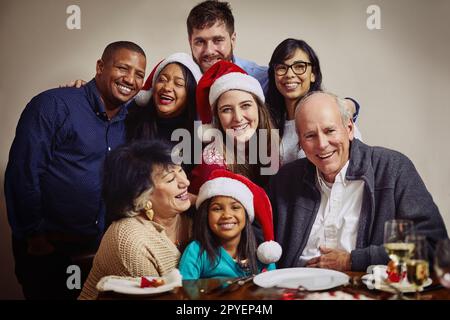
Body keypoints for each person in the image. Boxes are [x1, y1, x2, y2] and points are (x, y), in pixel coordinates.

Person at [4, 41, 146, 299]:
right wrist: (34, 235)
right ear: (100, 67)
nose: (131, 79)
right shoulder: (54, 105)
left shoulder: (130, 122)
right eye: (123, 68)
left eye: (139, 74)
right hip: (48, 248)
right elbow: (23, 172)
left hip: (98, 250)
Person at [268, 91, 448, 272]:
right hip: (295, 290)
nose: (322, 144)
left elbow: (433, 244)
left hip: (366, 290)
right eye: (310, 136)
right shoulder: (285, 180)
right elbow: (260, 240)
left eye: (329, 130)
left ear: (349, 128)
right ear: (300, 141)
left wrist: (354, 260)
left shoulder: (393, 169)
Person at [79, 140, 192, 300]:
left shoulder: (194, 216)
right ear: (142, 195)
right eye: (170, 179)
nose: (185, 182)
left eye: (181, 170)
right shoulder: (130, 239)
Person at [267, 38, 363, 165]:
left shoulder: (333, 115)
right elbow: (264, 175)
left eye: (299, 66)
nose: (289, 74)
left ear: (313, 74)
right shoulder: (266, 121)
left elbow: (356, 165)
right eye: (281, 68)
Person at [189, 60, 279, 194]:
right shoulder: (211, 166)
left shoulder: (271, 145)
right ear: (217, 118)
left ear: (259, 108)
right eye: (226, 110)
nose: (237, 117)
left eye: (245, 105)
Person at [179, 169, 280, 279]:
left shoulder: (262, 254)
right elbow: (185, 292)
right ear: (206, 215)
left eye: (235, 207)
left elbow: (271, 290)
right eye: (217, 209)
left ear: (246, 215)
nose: (226, 215)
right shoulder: (196, 251)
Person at [187, 0, 268, 92]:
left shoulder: (263, 79)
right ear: (190, 42)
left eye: (218, 40)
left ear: (232, 40)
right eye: (200, 42)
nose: (209, 51)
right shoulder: (181, 84)